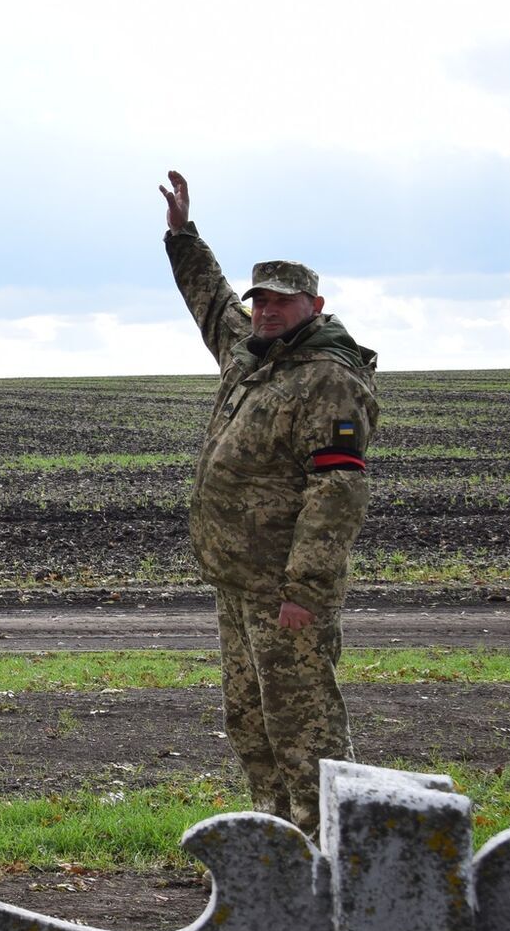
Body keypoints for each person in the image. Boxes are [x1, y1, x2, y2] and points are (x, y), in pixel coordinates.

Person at [160, 170, 379, 835]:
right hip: (238, 579)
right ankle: (275, 839)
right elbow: (212, 299)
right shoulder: (250, 353)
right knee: (250, 718)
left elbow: (337, 488)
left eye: (281, 302)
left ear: (313, 304)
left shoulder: (331, 380)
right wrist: (181, 237)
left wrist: (304, 588)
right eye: (261, 302)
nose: (265, 311)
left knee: (303, 723)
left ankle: (329, 850)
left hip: (285, 588)